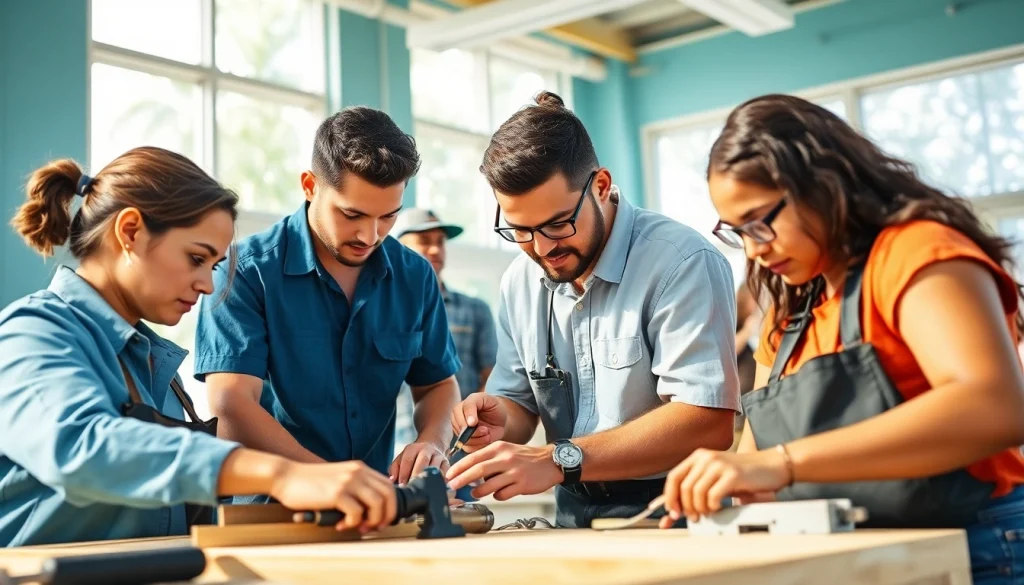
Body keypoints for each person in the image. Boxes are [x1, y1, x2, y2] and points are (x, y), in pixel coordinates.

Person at [658, 94, 1024, 583]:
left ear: (823, 184)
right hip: (857, 556)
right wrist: (725, 483)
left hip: (974, 547)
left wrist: (784, 464)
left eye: (761, 221)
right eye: (738, 232)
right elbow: (755, 457)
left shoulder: (915, 250)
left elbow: (994, 407)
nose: (753, 250)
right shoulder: (789, 306)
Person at [0, 147, 398, 547]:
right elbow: (85, 447)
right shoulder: (32, 332)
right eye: (195, 258)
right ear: (131, 231)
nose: (208, 285)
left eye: (213, 265)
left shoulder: (156, 369)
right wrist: (282, 474)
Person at [445, 92, 741, 528]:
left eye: (558, 224)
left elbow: (707, 421)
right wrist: (496, 420)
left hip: (674, 512)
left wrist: (557, 459)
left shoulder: (681, 262)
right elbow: (519, 406)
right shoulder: (520, 281)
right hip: (574, 513)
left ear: (601, 186)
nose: (542, 248)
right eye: (521, 230)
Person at [193, 107, 461, 496]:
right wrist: (328, 480)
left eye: (388, 217)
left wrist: (432, 441)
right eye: (352, 214)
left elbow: (438, 385)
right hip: (268, 510)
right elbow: (231, 405)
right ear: (309, 186)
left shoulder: (415, 275)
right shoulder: (245, 272)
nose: (370, 236)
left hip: (373, 508)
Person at [391, 208, 499, 501]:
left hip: (456, 455)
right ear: (399, 246)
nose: (436, 249)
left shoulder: (475, 309)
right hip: (395, 455)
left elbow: (491, 377)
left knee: (459, 522)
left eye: (440, 241)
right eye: (424, 241)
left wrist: (469, 431)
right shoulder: (386, 308)